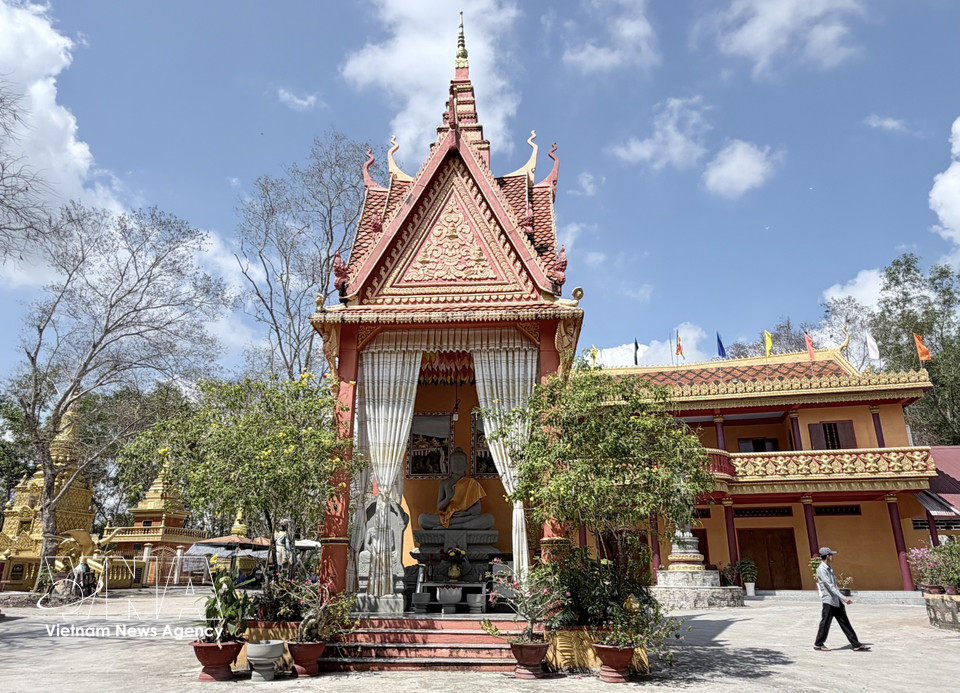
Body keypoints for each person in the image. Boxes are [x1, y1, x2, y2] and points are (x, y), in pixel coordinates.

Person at [417, 447, 494, 530]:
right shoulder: (445, 483)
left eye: (460, 462)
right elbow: (440, 507)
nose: (457, 465)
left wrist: (464, 513)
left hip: (465, 517)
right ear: (450, 465)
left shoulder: (472, 483)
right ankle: (456, 526)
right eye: (455, 462)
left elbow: (477, 509)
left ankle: (448, 527)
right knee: (422, 519)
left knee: (489, 519)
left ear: (466, 465)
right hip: (448, 517)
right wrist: (448, 498)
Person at [814, 547, 871, 652]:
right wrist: (844, 598)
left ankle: (855, 644)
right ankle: (818, 644)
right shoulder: (822, 569)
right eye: (831, 555)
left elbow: (834, 586)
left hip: (836, 600)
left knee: (845, 622)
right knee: (825, 622)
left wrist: (840, 598)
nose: (832, 557)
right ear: (827, 556)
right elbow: (830, 587)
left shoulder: (829, 568)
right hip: (829, 601)